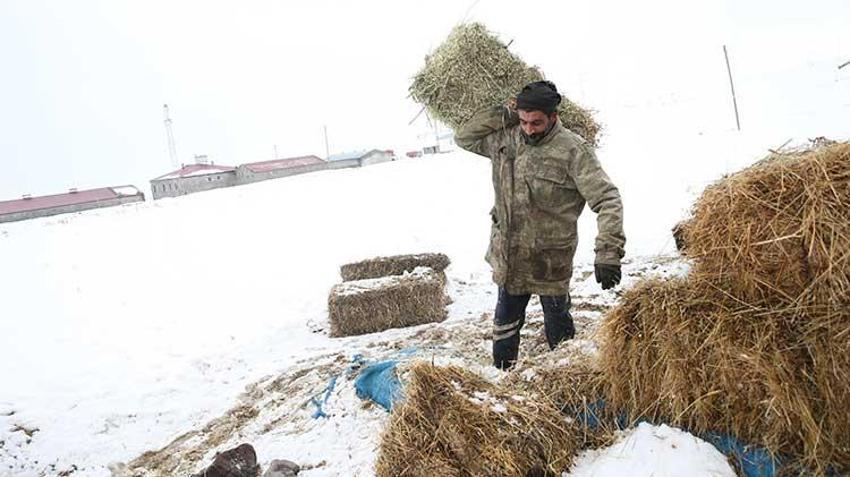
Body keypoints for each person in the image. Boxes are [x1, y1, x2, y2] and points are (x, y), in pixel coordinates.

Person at [454, 80, 625, 370]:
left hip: (549, 259)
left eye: (536, 122)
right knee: (505, 325)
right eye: (523, 121)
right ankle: (503, 379)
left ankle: (569, 379)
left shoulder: (573, 150)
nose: (529, 129)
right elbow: (464, 137)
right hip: (510, 255)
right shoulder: (506, 138)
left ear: (553, 117)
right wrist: (505, 114)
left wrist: (608, 252)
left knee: (559, 329)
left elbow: (608, 199)